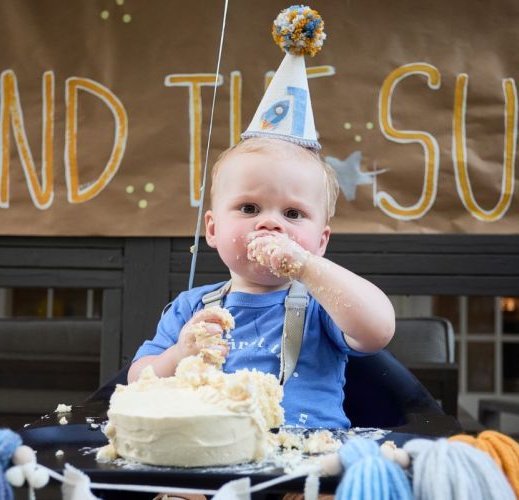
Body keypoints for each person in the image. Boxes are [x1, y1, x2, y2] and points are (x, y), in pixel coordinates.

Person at [129, 136, 396, 428]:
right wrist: (178, 356)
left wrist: (308, 267)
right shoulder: (191, 308)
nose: (270, 223)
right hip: (211, 446)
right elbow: (138, 383)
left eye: (293, 213)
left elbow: (378, 330)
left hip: (308, 446)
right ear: (213, 229)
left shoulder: (323, 305)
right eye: (249, 208)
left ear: (320, 242)